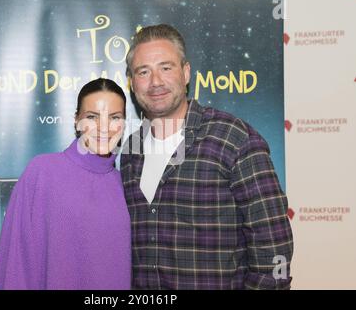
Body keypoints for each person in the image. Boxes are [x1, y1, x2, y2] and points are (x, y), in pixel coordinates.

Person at [120, 24, 294, 290]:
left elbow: (273, 246)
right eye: (143, 72)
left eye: (166, 68)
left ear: (186, 73)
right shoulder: (131, 151)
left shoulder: (234, 139)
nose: (155, 81)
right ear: (132, 84)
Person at [0, 78, 130, 290]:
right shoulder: (42, 172)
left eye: (114, 117)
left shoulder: (125, 184)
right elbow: (16, 262)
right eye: (92, 117)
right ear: (76, 120)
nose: (104, 128)